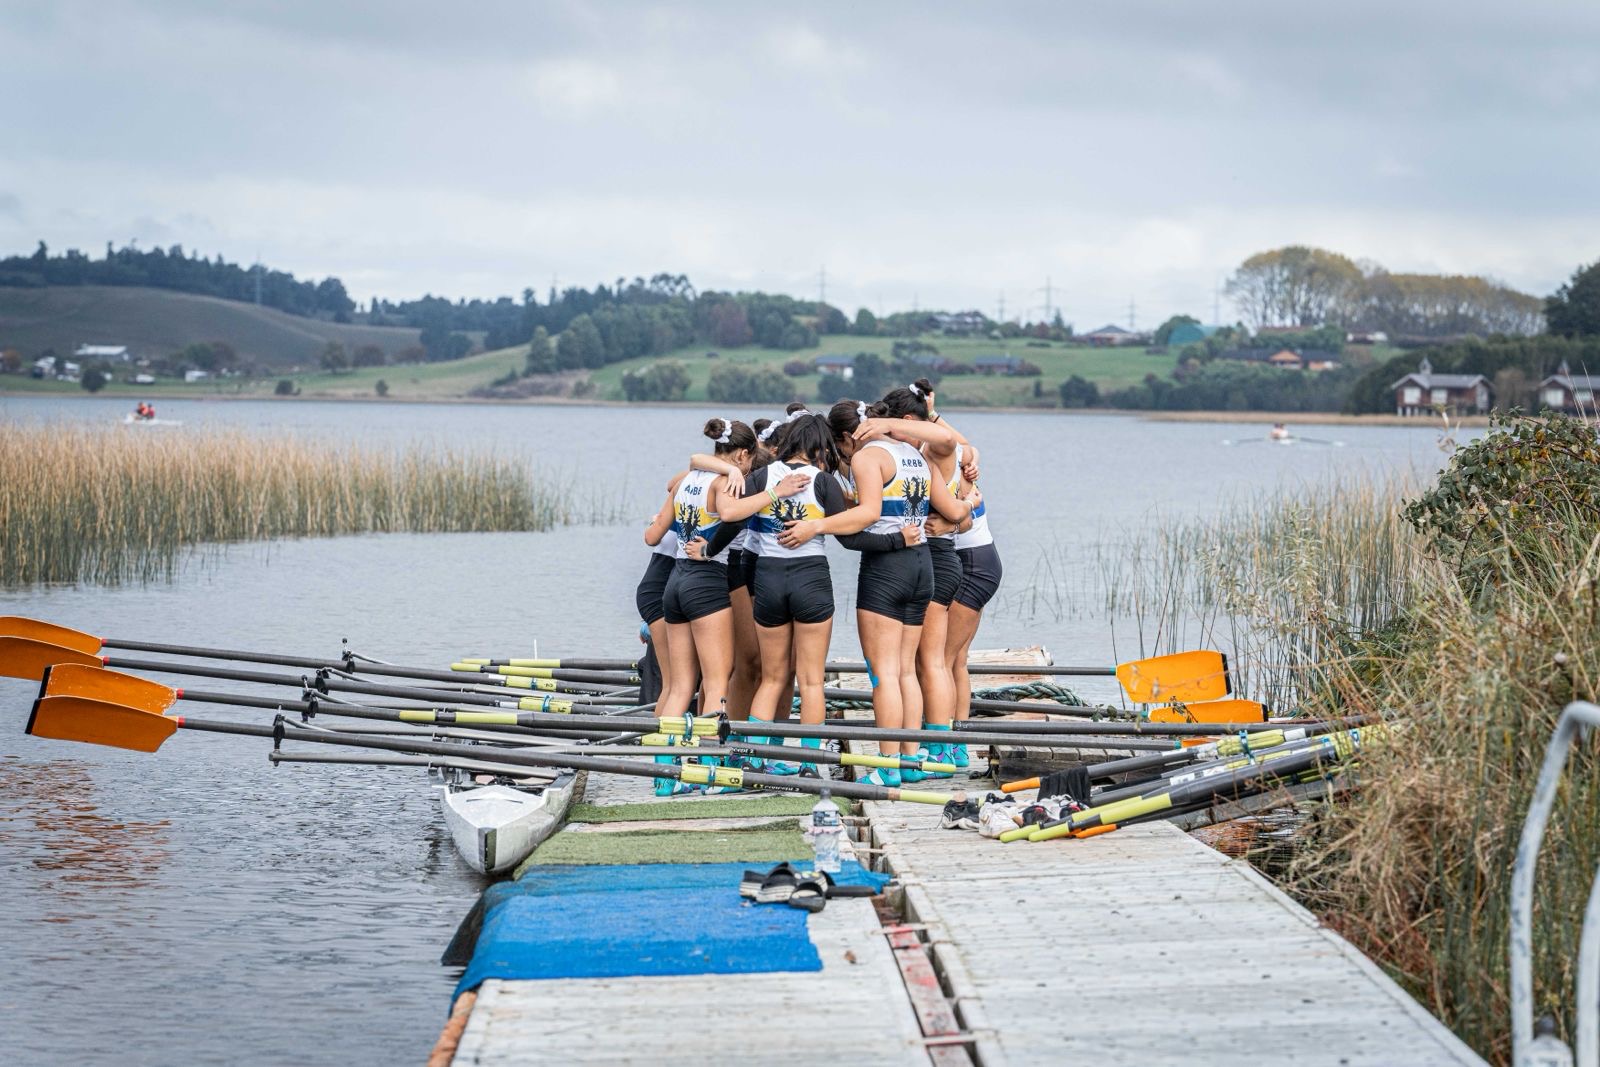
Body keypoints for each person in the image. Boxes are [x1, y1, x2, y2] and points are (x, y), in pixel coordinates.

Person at [779, 399, 978, 786]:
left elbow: (870, 513)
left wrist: (815, 527)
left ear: (846, 437)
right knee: (905, 671)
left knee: (883, 674)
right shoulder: (914, 455)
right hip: (922, 564)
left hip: (887, 569)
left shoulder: (867, 457)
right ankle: (909, 759)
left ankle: (887, 766)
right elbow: (943, 479)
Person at [711, 407, 918, 776]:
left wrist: (708, 549)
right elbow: (851, 538)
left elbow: (734, 521)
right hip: (811, 581)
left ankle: (755, 758)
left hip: (769, 581)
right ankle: (808, 763)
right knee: (810, 681)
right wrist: (896, 540)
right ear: (820, 447)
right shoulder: (824, 483)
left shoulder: (761, 477)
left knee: (773, 678)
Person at [652, 418, 760, 726]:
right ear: (742, 454)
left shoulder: (685, 480)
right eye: (750, 460)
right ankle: (708, 752)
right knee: (716, 683)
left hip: (675, 580)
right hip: (707, 581)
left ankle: (662, 754)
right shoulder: (725, 483)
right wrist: (775, 493)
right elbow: (729, 513)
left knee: (680, 687)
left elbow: (653, 534)